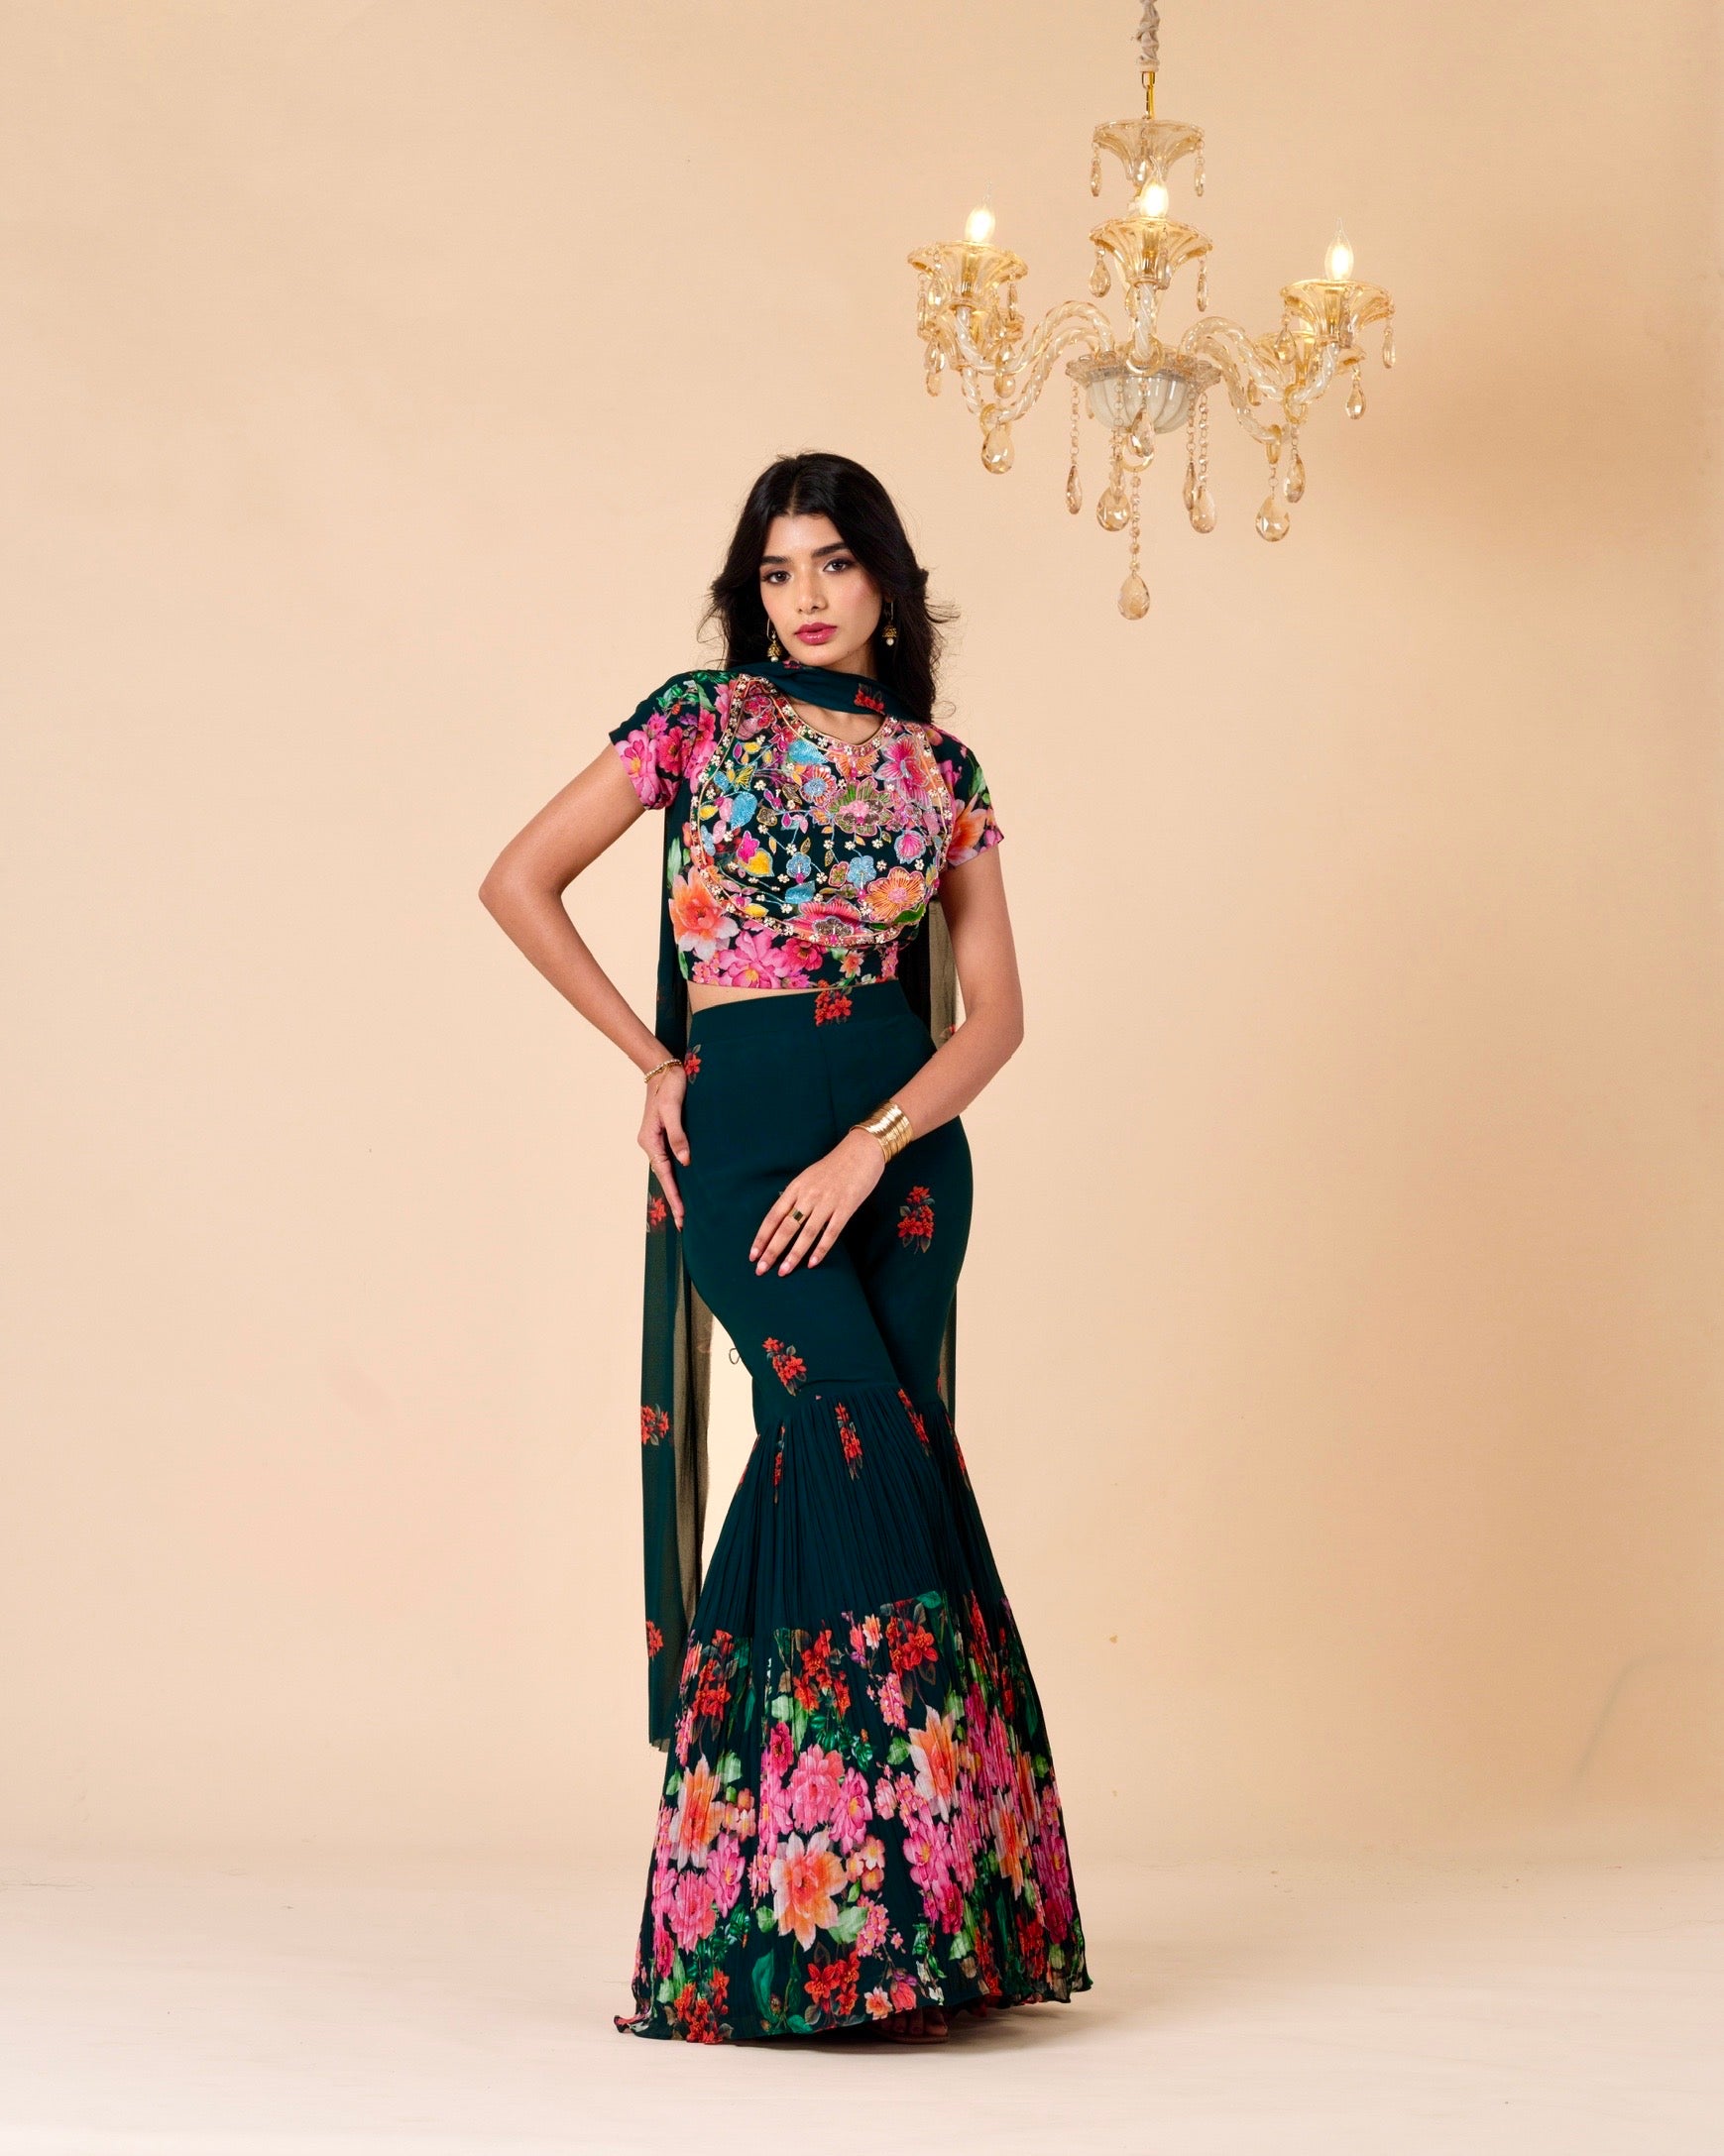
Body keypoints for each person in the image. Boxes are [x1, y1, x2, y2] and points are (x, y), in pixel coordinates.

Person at [479, 451, 1092, 2044]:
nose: (805, 598)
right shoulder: (699, 718)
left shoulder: (943, 768)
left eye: (832, 565)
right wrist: (654, 1060)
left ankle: (903, 1918)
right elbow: (520, 879)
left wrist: (874, 1143)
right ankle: (804, 1920)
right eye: (776, 572)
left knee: (888, 1458)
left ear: (890, 582)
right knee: (842, 1436)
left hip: (893, 1146)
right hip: (746, 1129)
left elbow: (1000, 1019)